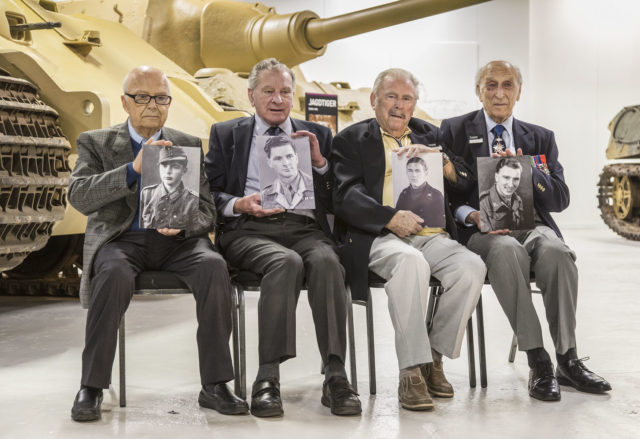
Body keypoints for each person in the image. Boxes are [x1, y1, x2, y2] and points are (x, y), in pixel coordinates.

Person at [68, 66, 247, 422]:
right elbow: (79, 196)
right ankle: (92, 386)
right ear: (125, 102)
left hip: (179, 242)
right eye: (142, 97)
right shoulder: (96, 142)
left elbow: (208, 211)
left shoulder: (189, 144)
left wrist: (183, 226)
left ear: (169, 103)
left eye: (161, 98)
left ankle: (215, 385)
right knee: (113, 273)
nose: (153, 105)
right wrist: (132, 170)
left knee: (214, 267)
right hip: (123, 240)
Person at [439, 60, 611, 401]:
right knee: (507, 251)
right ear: (479, 91)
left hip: (532, 225)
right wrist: (472, 215)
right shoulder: (454, 130)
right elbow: (444, 194)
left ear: (519, 92)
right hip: (482, 232)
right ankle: (538, 358)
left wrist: (532, 173)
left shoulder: (540, 137)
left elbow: (560, 199)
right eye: (491, 85)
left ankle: (567, 358)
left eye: (507, 85)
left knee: (559, 254)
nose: (499, 93)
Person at [204, 58, 361, 417]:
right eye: (269, 91)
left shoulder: (316, 134)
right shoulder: (227, 134)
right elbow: (207, 193)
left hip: (305, 228)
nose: (278, 99)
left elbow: (337, 196)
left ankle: (336, 374)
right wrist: (238, 205)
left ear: (295, 96)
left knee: (326, 262)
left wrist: (321, 166)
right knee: (284, 262)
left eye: (285, 92)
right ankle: (267, 377)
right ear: (251, 95)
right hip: (250, 230)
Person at [332, 68, 486, 411]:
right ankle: (411, 371)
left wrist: (441, 160)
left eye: (407, 99)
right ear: (373, 101)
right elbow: (345, 196)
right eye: (391, 97)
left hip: (431, 234)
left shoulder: (430, 134)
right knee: (411, 264)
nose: (399, 106)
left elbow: (463, 181)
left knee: (471, 267)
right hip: (380, 236)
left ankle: (433, 356)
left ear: (415, 105)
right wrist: (388, 217)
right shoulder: (351, 139)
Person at [140, 146, 199, 229]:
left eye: (175, 167)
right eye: (164, 166)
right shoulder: (146, 194)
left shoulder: (194, 200)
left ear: (184, 170)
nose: (168, 172)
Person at [260, 135, 314, 209]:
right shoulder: (264, 196)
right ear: (270, 163)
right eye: (278, 158)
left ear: (296, 158)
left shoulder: (315, 185)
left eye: (289, 156)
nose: (286, 163)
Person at [396, 156, 446, 228]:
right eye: (410, 171)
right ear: (406, 173)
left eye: (417, 170)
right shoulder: (403, 194)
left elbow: (440, 225)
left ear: (426, 172)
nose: (414, 175)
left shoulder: (436, 195)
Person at [478, 157, 523, 232]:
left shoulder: (518, 200)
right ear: (496, 177)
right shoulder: (483, 203)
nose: (511, 185)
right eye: (506, 177)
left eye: (516, 179)